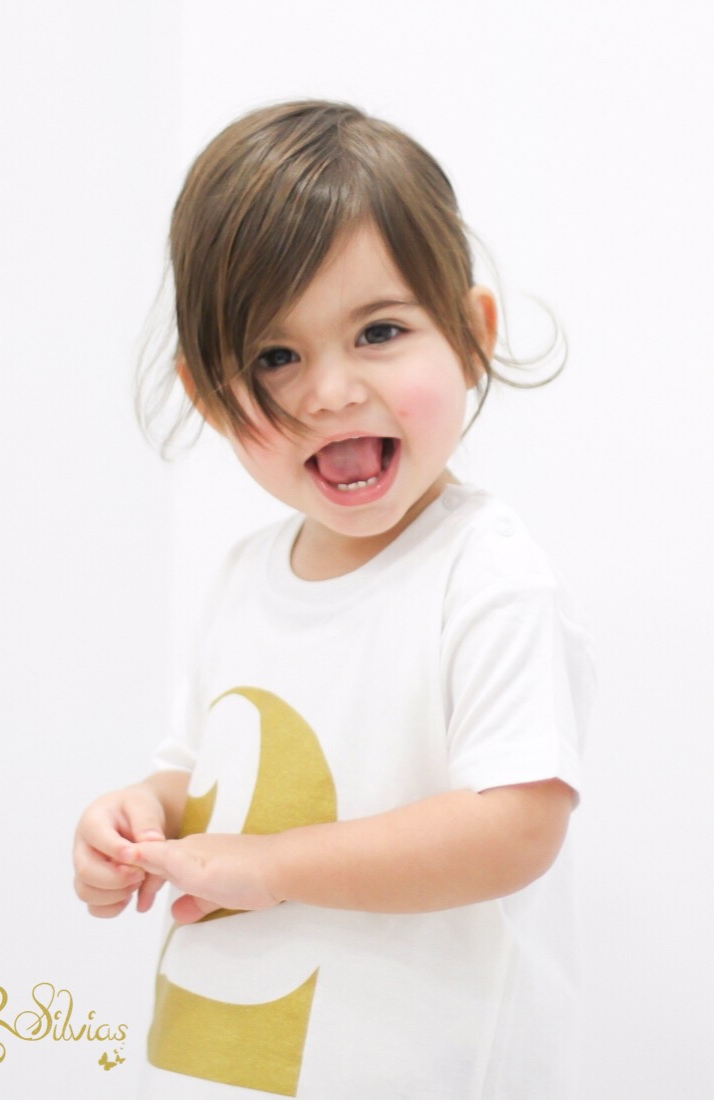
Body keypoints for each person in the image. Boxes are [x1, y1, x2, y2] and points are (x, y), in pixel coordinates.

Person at [73, 99, 596, 1099]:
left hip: (421, 1069)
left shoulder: (486, 577)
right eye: (275, 356)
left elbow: (517, 825)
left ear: (471, 336)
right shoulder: (244, 577)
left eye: (378, 330)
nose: (329, 391)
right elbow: (196, 775)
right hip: (230, 1058)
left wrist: (273, 866)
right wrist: (137, 817)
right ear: (206, 392)